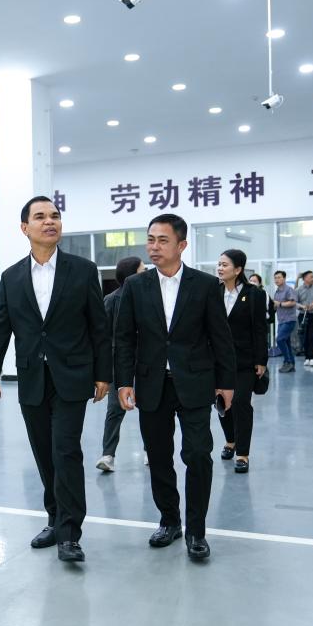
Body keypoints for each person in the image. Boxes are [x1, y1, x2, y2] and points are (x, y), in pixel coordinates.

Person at [0, 196, 111, 563]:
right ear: (25, 228)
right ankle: (54, 518)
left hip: (72, 376)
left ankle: (70, 534)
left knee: (65, 450)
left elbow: (99, 327)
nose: (49, 221)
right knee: (43, 453)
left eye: (55, 216)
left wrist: (104, 373)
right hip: (32, 378)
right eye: (40, 217)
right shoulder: (11, 277)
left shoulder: (83, 270)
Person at [114, 214, 235, 561]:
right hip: (152, 384)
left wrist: (226, 383)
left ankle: (197, 530)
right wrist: (123, 382)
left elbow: (221, 337)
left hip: (195, 382)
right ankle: (170, 521)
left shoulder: (205, 285)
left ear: (182, 245)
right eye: (150, 239)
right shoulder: (136, 286)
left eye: (162, 240)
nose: (154, 247)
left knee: (197, 454)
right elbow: (124, 338)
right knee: (158, 457)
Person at [216, 250, 267, 474]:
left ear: (238, 270)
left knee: (240, 403)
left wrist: (261, 360)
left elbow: (259, 329)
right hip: (218, 360)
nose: (220, 268)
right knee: (221, 403)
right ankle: (230, 440)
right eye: (219, 264)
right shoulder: (213, 292)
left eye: (225, 265)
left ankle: (243, 454)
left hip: (245, 360)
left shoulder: (254, 294)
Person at [96, 256, 146, 473]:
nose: (147, 273)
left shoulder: (149, 298)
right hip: (119, 363)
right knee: (115, 410)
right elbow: (102, 337)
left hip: (146, 362)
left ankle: (151, 449)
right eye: (143, 270)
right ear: (131, 275)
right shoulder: (110, 300)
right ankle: (108, 455)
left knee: (150, 408)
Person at [272, 271, 297, 372]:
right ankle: (292, 364)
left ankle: (287, 361)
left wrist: (280, 304)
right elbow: (276, 305)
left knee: (280, 340)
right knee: (286, 342)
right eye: (275, 278)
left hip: (289, 319)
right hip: (281, 320)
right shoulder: (277, 292)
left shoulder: (289, 290)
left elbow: (293, 302)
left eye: (279, 277)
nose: (276, 280)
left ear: (284, 278)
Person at [296, 271, 313, 367]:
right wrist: (302, 306)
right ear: (305, 278)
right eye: (311, 277)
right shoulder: (299, 289)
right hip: (303, 315)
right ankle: (307, 357)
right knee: (304, 337)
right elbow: (295, 302)